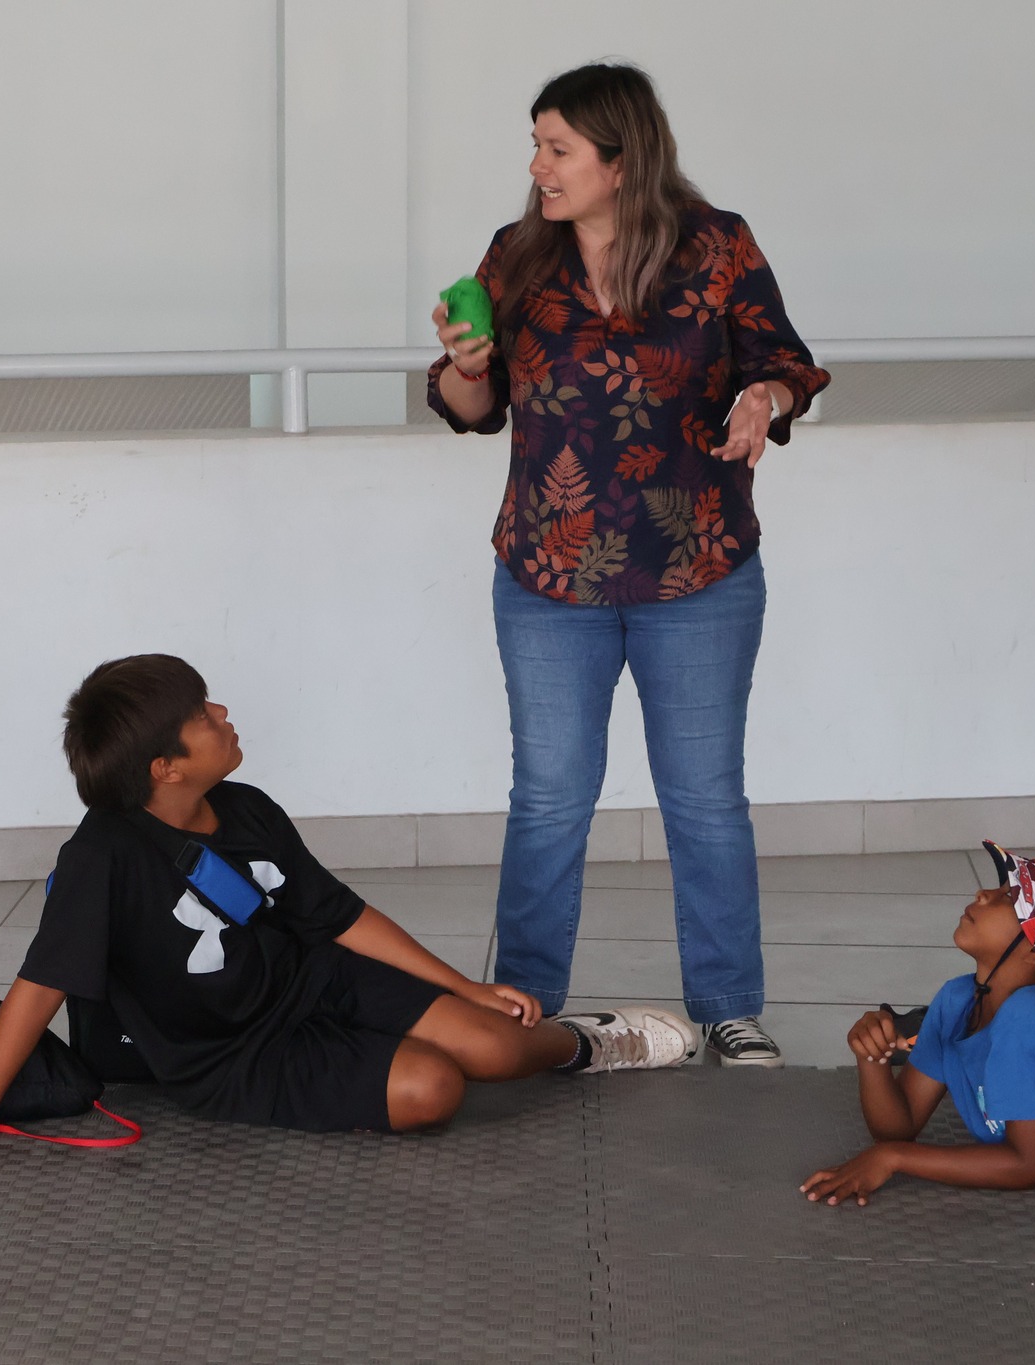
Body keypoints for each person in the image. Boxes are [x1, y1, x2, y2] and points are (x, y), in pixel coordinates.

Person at [0, 654, 696, 1153]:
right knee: (432, 1092)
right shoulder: (100, 858)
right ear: (165, 766)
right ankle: (384, 1056)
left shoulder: (248, 806)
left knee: (493, 1042)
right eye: (202, 714)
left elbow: (337, 915)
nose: (223, 714)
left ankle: (588, 1045)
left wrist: (464, 987)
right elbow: (40, 984)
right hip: (229, 1053)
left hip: (314, 979)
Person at [424, 62, 830, 1066]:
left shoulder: (715, 246)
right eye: (535, 144)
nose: (536, 165)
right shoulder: (515, 257)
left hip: (696, 571)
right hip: (545, 576)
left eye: (556, 148)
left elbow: (781, 361)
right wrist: (466, 369)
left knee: (701, 797)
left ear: (619, 159)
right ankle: (520, 1000)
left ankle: (728, 1008)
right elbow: (469, 411)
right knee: (549, 795)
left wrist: (759, 403)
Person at [803, 842, 1035, 1205]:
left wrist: (894, 1158)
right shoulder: (958, 1000)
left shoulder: (1031, 1024)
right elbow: (898, 1127)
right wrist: (872, 1058)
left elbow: (1025, 1166)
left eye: (1009, 898)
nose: (982, 894)